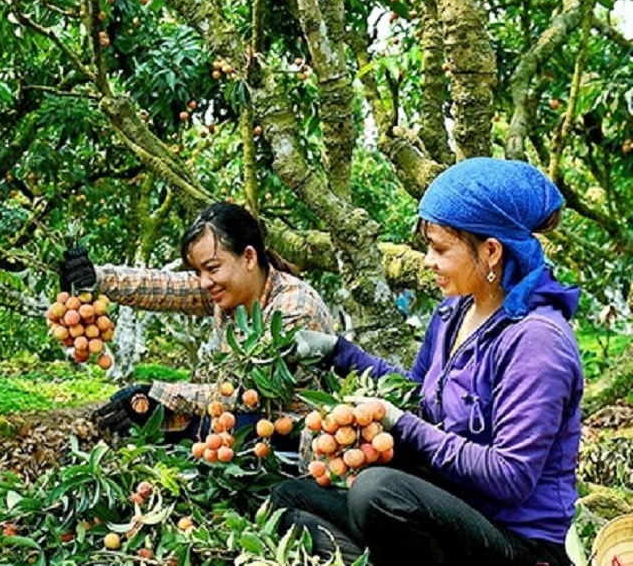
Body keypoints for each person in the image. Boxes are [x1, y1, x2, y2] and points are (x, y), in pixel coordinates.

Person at [275, 158, 583, 566]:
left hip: (518, 542)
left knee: (377, 493)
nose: (427, 260)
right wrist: (340, 353)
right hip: (452, 510)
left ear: (491, 251)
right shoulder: (453, 314)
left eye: (439, 248)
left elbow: (510, 476)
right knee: (290, 498)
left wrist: (400, 424)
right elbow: (418, 394)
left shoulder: (537, 341)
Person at [60, 201, 335, 436]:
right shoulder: (235, 290)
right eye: (197, 271)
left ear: (248, 257)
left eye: (211, 268)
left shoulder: (294, 310)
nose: (204, 282)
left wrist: (159, 396)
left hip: (295, 436)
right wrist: (97, 278)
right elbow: (162, 288)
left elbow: (247, 393)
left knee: (207, 428)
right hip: (244, 419)